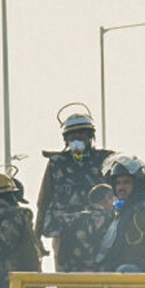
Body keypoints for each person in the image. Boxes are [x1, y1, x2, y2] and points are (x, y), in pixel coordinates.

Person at [35, 109, 113, 261]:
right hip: (65, 233)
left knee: (102, 278)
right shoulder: (57, 164)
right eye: (72, 134)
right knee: (66, 280)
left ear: (90, 135)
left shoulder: (105, 161)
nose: (77, 137)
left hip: (101, 230)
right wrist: (36, 237)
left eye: (82, 133)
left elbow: (118, 194)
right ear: (66, 138)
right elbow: (43, 202)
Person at [96, 155, 145, 272]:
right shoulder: (122, 211)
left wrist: (141, 268)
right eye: (118, 183)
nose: (121, 187)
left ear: (137, 184)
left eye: (126, 182)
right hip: (117, 279)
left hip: (135, 282)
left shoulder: (144, 210)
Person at [56, 183, 116, 272]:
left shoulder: (70, 220)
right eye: (112, 198)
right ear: (106, 198)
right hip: (102, 277)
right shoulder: (111, 220)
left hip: (74, 277)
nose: (114, 202)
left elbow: (61, 258)